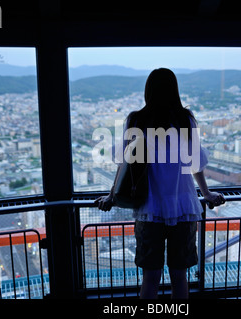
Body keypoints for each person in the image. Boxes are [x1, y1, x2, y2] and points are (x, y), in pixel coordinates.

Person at [95, 68, 225, 299]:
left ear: (148, 91)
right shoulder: (185, 119)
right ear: (175, 90)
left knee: (151, 277)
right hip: (183, 206)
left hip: (149, 207)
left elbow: (125, 164)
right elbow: (195, 163)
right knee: (179, 275)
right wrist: (206, 193)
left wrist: (111, 196)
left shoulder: (136, 120)